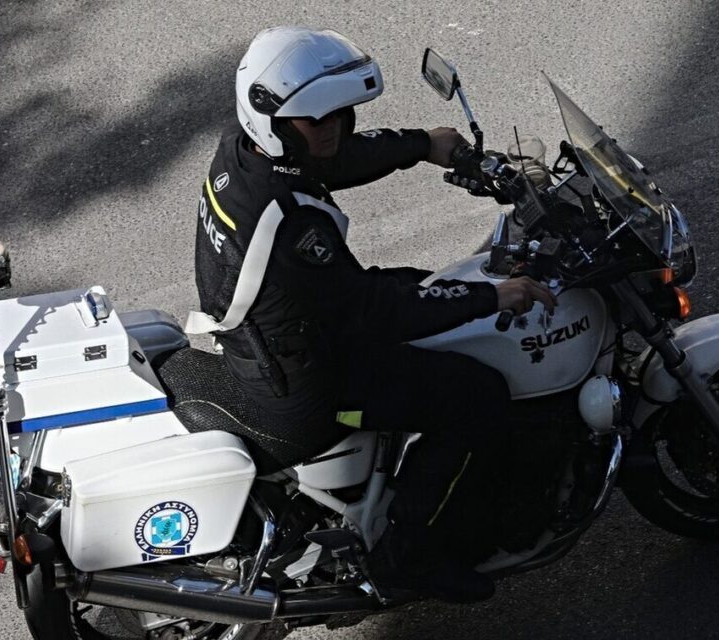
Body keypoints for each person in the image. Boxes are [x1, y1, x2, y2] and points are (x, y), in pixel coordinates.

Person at [189, 26, 555, 602]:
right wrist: (492, 296)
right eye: (319, 119)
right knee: (475, 396)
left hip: (283, 336)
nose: (334, 128)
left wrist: (423, 144)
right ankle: (409, 557)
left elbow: (332, 160)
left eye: (341, 115)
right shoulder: (289, 222)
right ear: (277, 120)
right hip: (308, 385)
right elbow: (377, 312)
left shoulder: (247, 150)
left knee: (428, 288)